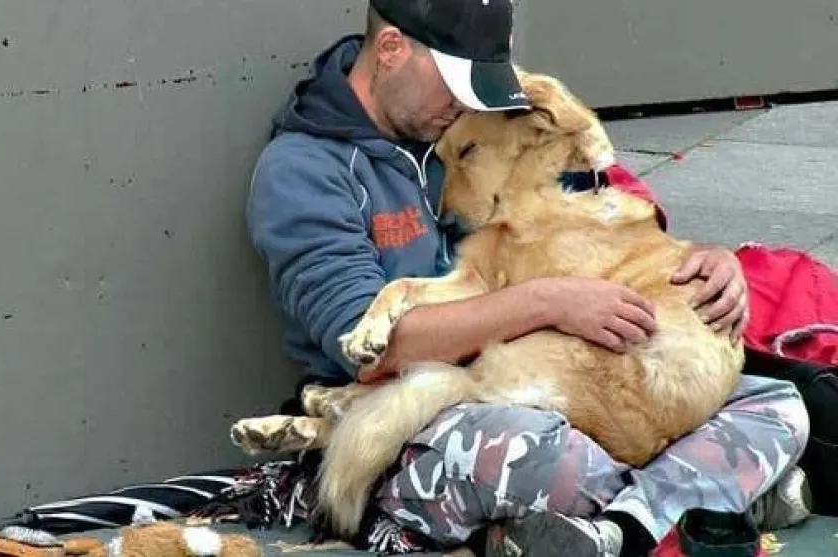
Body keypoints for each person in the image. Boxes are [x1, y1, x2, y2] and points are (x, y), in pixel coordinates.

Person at [244, 0, 812, 556]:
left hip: (560, 375)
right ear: (391, 49)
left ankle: (619, 528)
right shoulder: (305, 171)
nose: (467, 105)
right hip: (410, 413)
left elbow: (600, 202)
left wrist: (707, 261)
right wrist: (546, 302)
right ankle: (700, 500)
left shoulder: (457, 116)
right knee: (546, 459)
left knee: (777, 402)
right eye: (458, 85)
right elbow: (372, 351)